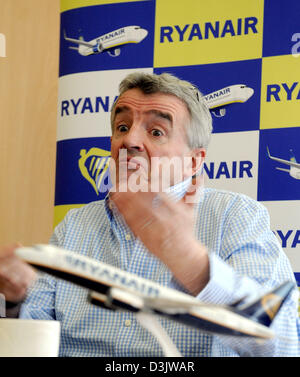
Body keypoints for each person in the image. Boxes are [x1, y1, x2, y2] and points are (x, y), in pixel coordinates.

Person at [0, 72, 299, 357]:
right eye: (122, 127)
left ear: (194, 161)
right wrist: (14, 300)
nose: (129, 141)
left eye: (156, 131)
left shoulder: (236, 216)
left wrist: (191, 262)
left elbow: (283, 342)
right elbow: (33, 330)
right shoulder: (75, 225)